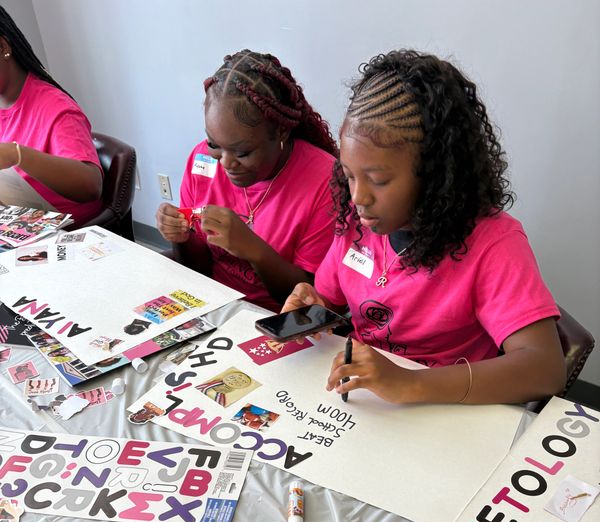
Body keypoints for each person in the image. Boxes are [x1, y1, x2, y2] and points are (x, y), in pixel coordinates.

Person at [282, 50, 566, 405]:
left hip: (447, 411)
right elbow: (330, 300)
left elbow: (544, 369)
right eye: (349, 175)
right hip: (368, 403)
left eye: (378, 180)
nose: (358, 197)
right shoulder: (359, 222)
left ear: (435, 174)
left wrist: (410, 383)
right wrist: (310, 307)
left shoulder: (494, 243)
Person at [156, 49, 338, 312]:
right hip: (214, 304)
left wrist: (253, 249)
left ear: (281, 131)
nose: (226, 163)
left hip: (277, 319)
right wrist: (179, 237)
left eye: (242, 153)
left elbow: (312, 303)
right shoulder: (201, 160)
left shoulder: (325, 182)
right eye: (214, 144)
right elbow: (198, 269)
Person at [0, 7, 102, 225]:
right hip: (19, 222)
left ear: (2, 47)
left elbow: (90, 186)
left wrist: (16, 154)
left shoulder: (55, 108)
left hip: (66, 233)